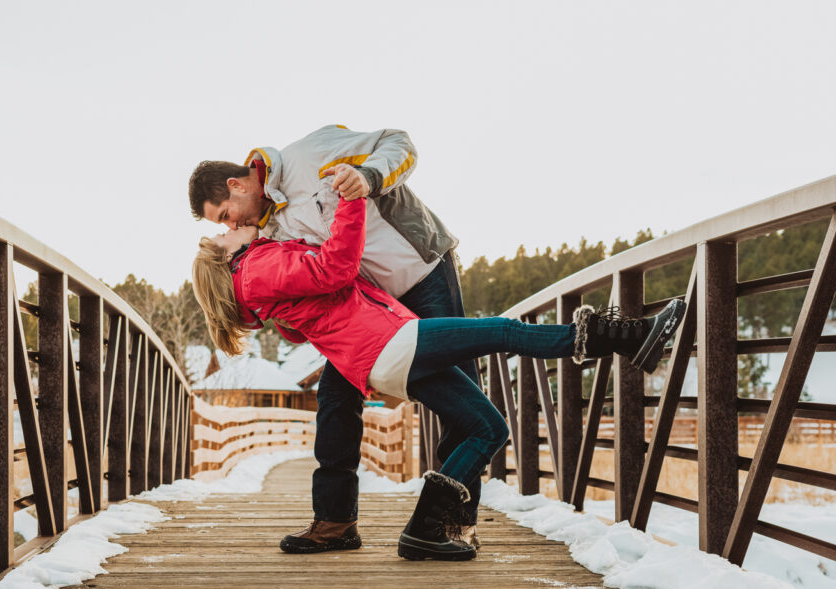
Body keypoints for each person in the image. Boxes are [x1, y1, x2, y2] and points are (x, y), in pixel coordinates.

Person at [191, 198, 685, 561]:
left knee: (489, 428)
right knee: (502, 331)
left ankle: (425, 528)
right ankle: (624, 337)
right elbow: (336, 266)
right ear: (223, 257)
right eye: (220, 233)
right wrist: (350, 200)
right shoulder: (256, 266)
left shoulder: (255, 281)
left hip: (385, 354)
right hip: (391, 344)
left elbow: (303, 323)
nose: (229, 228)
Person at [188, 125, 487, 553]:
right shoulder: (266, 236)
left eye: (223, 214)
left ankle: (453, 523)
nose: (229, 224)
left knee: (459, 400)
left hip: (421, 273)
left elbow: (399, 144)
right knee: (333, 397)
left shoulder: (308, 155)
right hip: (368, 312)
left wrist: (368, 178)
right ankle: (334, 522)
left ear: (236, 185)